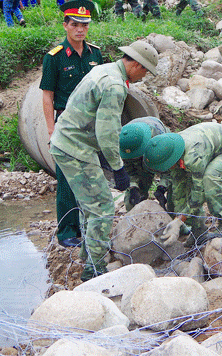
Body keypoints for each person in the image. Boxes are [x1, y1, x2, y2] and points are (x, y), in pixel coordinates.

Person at [49, 41, 159, 280]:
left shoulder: (104, 68)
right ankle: (93, 271)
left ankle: (86, 254)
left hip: (69, 141)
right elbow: (108, 131)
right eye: (145, 70)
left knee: (90, 204)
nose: (144, 76)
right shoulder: (115, 85)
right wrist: (118, 167)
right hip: (74, 148)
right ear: (136, 65)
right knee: (103, 208)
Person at [40, 0, 102, 248]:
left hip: (91, 122)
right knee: (67, 177)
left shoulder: (95, 54)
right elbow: (47, 95)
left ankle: (90, 224)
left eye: (84, 25)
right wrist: (50, 129)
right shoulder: (54, 58)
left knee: (90, 173)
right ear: (65, 25)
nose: (80, 30)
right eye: (75, 24)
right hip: (66, 121)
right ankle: (67, 231)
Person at [143, 122, 222, 245]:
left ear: (171, 161)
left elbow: (198, 192)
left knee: (210, 178)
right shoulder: (171, 149)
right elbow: (179, 190)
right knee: (178, 188)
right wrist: (178, 219)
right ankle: (198, 230)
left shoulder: (193, 158)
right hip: (207, 147)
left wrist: (180, 219)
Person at [119, 117, 171, 209]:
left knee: (175, 197)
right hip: (137, 145)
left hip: (156, 144)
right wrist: (133, 187)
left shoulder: (159, 140)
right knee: (131, 200)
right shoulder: (124, 141)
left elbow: (169, 167)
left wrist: (162, 187)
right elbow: (127, 169)